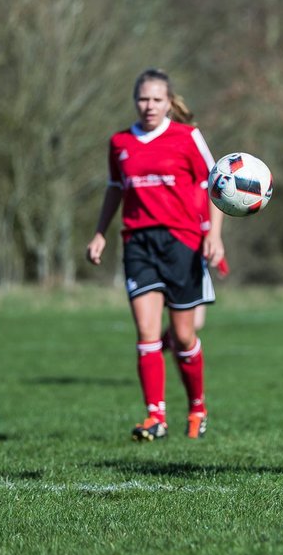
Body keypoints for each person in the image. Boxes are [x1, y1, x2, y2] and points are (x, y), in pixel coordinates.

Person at [86, 69, 225, 442]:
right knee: (147, 333)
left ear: (168, 102)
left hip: (182, 242)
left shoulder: (187, 137)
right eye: (143, 99)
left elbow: (220, 185)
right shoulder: (119, 142)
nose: (149, 106)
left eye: (157, 100)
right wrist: (100, 233)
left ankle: (197, 407)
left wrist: (215, 236)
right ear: (136, 101)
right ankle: (155, 417)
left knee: (183, 336)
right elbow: (115, 189)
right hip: (138, 245)